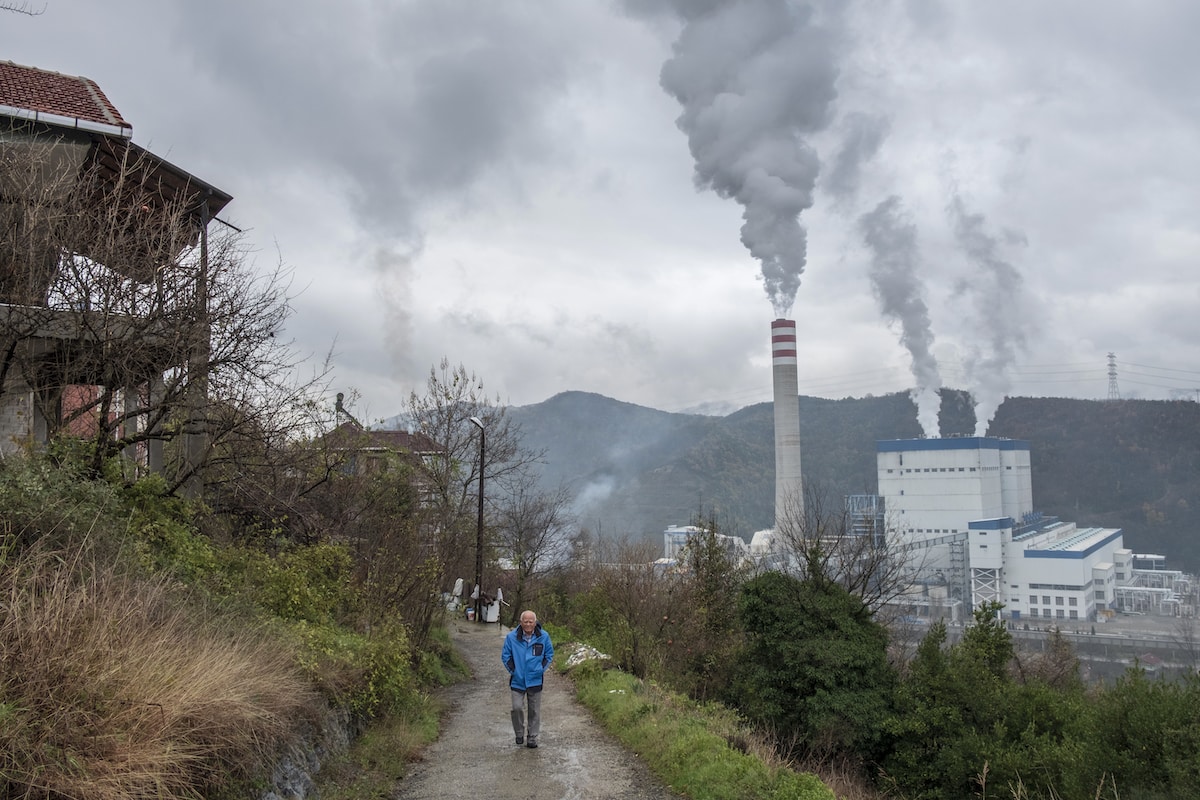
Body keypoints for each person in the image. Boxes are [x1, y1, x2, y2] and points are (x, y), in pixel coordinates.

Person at [501, 609, 554, 748]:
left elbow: (549, 655)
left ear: (535, 622)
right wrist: (514, 671)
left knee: (534, 710)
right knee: (517, 707)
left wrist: (540, 669)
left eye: (531, 621)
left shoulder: (544, 636)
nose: (528, 624)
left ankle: (532, 737)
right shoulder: (511, 637)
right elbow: (506, 656)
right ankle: (519, 733)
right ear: (521, 622)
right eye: (526, 621)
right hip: (517, 680)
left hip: (535, 679)